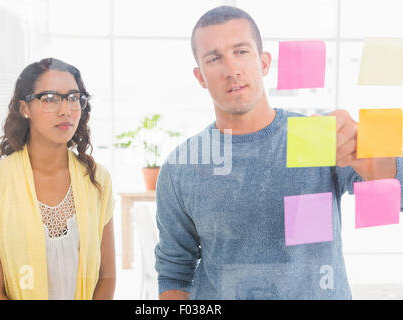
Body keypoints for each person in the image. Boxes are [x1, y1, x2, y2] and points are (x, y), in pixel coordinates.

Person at [154, 6, 403, 300]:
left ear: (264, 62)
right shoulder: (181, 167)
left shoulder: (319, 138)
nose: (231, 69)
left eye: (241, 51)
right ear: (200, 77)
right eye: (214, 58)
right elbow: (175, 270)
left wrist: (367, 153)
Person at [0, 58, 116, 300]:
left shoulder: (97, 179)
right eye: (49, 98)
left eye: (73, 97)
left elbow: (107, 277)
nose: (65, 109)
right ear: (24, 108)